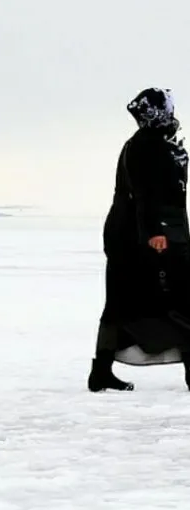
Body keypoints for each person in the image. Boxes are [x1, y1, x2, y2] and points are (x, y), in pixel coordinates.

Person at [88, 87, 190, 392]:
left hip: (143, 235)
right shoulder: (147, 146)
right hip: (139, 238)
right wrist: (155, 232)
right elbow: (145, 194)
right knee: (178, 300)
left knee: (123, 304)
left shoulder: (158, 144)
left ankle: (101, 371)